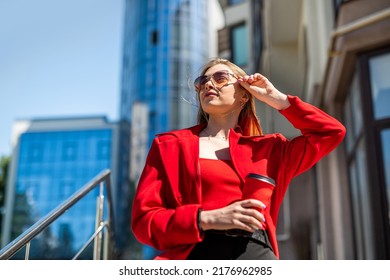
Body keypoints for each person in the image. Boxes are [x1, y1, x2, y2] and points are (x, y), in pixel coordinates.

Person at [131, 58, 346, 260]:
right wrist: (206, 218)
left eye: (220, 78)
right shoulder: (169, 146)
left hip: (256, 256)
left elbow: (330, 133)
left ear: (244, 95)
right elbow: (144, 221)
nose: (208, 85)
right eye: (202, 81)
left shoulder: (271, 150)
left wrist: (278, 99)